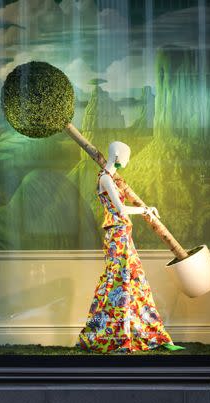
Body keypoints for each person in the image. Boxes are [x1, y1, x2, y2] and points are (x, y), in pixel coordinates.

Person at [77, 141, 175, 353]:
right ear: (118, 156)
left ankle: (146, 332)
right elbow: (120, 210)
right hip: (117, 236)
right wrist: (145, 210)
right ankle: (112, 335)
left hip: (122, 235)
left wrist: (145, 210)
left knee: (132, 280)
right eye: (127, 156)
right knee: (118, 282)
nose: (128, 161)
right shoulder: (105, 178)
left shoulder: (111, 179)